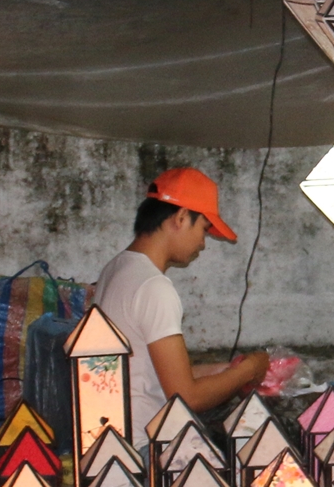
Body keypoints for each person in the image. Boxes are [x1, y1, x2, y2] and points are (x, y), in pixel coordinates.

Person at [91, 167, 270, 433]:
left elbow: (151, 373)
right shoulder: (154, 287)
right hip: (145, 447)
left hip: (115, 438)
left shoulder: (116, 269)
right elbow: (188, 396)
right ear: (182, 217)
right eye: (204, 229)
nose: (203, 243)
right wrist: (249, 370)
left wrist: (229, 371)